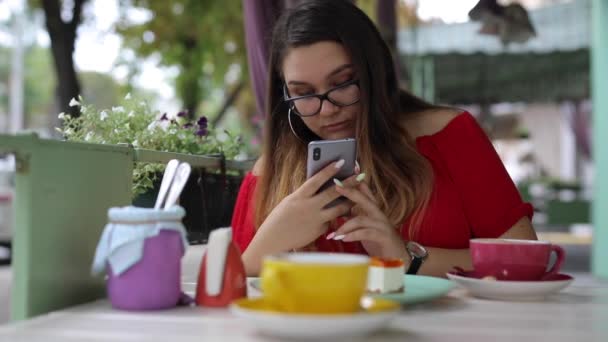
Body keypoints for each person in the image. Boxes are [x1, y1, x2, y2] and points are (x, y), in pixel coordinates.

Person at [231, 0, 537, 277]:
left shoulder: (449, 135)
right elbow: (222, 292)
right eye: (304, 93)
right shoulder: (268, 172)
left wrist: (408, 258)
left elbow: (526, 259)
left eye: (343, 83)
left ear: (374, 72)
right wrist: (266, 248)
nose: (326, 110)